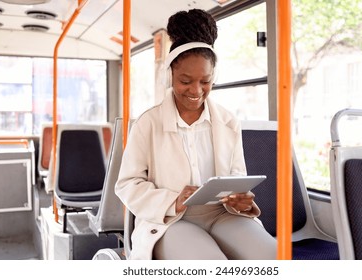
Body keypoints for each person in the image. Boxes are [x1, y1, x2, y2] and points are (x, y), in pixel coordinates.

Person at [115, 8, 276, 260]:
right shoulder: (148, 123)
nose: (196, 90)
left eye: (205, 81)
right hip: (171, 220)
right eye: (185, 80)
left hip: (222, 215)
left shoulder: (228, 121)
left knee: (273, 256)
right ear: (170, 77)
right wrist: (173, 200)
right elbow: (127, 185)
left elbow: (237, 175)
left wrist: (240, 199)